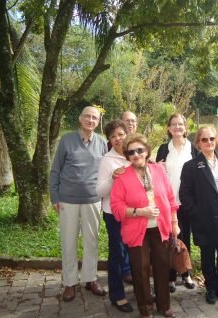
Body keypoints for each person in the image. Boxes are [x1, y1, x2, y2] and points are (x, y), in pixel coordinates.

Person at [111, 133, 179, 318]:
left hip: (161, 228)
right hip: (137, 231)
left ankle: (164, 305)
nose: (136, 154)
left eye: (139, 150)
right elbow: (116, 207)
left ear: (147, 151)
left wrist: (174, 222)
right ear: (127, 156)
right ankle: (145, 309)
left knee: (162, 268)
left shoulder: (158, 170)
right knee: (140, 272)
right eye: (131, 152)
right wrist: (140, 212)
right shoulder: (122, 177)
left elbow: (171, 199)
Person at [179, 126, 218, 305]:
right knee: (207, 254)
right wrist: (197, 213)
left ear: (217, 141)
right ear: (198, 143)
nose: (209, 142)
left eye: (212, 139)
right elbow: (185, 195)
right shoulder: (191, 166)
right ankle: (210, 287)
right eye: (204, 139)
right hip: (205, 219)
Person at [50, 106, 107, 302]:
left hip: (93, 200)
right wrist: (54, 196)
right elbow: (56, 169)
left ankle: (91, 279)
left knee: (91, 241)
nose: (91, 120)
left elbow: (106, 171)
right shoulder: (66, 140)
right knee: (69, 242)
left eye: (95, 118)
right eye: (87, 117)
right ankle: (69, 282)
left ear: (98, 122)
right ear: (80, 119)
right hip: (68, 200)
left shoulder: (102, 143)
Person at [156, 113, 198, 292]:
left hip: (187, 202)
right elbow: (156, 173)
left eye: (180, 124)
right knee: (169, 239)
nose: (177, 127)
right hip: (167, 202)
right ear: (168, 128)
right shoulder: (164, 149)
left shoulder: (193, 148)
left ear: (186, 128)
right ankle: (170, 276)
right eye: (173, 124)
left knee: (184, 238)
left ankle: (186, 273)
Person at [96, 119, 133, 312]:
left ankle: (140, 290)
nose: (117, 139)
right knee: (117, 254)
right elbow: (99, 191)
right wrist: (112, 177)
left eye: (120, 134)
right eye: (113, 136)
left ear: (126, 133)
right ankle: (117, 295)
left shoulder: (134, 153)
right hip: (114, 214)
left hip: (135, 213)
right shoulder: (107, 160)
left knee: (136, 253)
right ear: (109, 140)